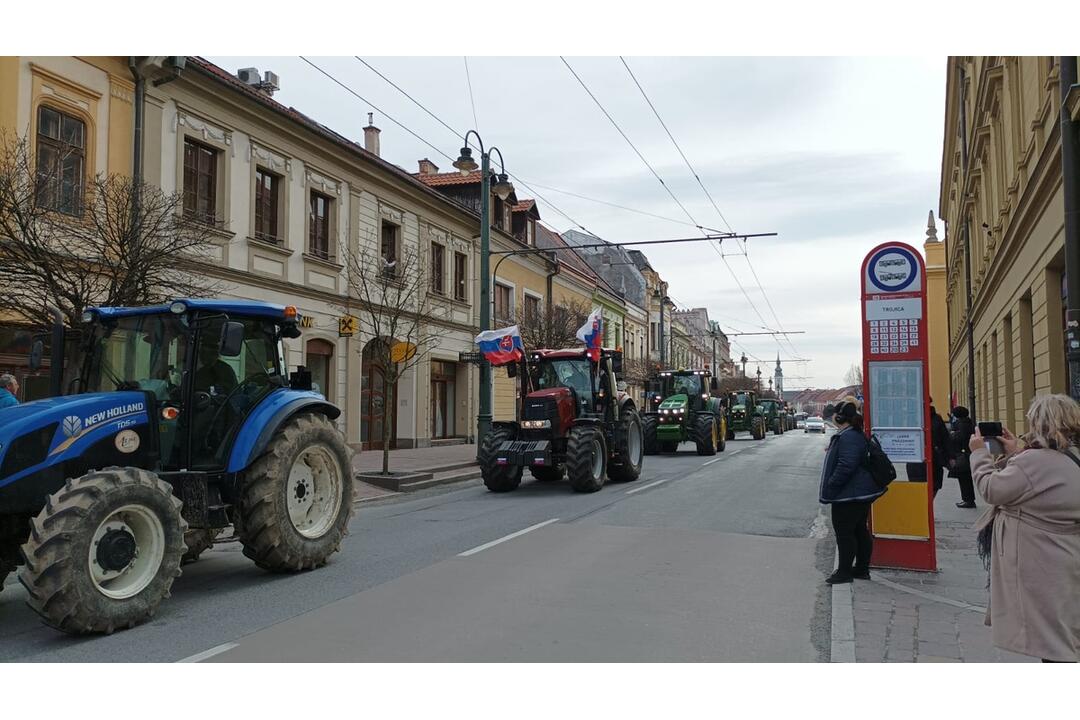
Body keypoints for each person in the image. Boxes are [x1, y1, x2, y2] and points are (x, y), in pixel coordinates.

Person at [970, 394, 1080, 663]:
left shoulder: (1035, 462)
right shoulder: (1070, 457)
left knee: (1053, 642)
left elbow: (992, 489)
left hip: (1040, 561)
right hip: (1065, 554)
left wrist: (979, 455)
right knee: (1064, 631)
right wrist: (1019, 452)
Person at [820, 401, 887, 584]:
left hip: (849, 494)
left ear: (840, 417)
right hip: (858, 492)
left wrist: (833, 484)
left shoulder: (848, 437)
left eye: (835, 414)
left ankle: (844, 572)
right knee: (858, 530)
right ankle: (861, 568)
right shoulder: (852, 434)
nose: (833, 417)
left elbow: (847, 465)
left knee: (845, 533)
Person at [948, 406, 977, 508]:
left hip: (963, 454)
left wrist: (952, 434)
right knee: (966, 478)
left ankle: (968, 500)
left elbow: (961, 437)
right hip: (967, 453)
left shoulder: (962, 424)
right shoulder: (967, 422)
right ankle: (968, 499)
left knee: (964, 479)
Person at [930, 405, 951, 497]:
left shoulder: (936, 418)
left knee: (935, 485)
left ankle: (928, 506)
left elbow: (945, 438)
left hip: (936, 458)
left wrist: (951, 457)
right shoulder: (914, 417)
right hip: (917, 461)